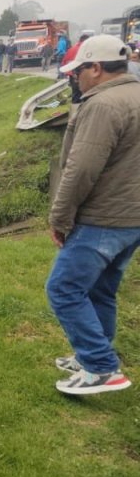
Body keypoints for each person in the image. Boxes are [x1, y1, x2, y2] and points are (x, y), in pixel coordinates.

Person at [47, 34, 140, 395]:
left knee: (64, 288)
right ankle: (92, 354)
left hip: (104, 217)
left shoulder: (102, 105)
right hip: (132, 219)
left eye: (78, 71)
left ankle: (101, 367)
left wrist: (60, 218)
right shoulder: (134, 94)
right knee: (101, 289)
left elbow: (80, 169)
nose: (75, 78)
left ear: (96, 68)